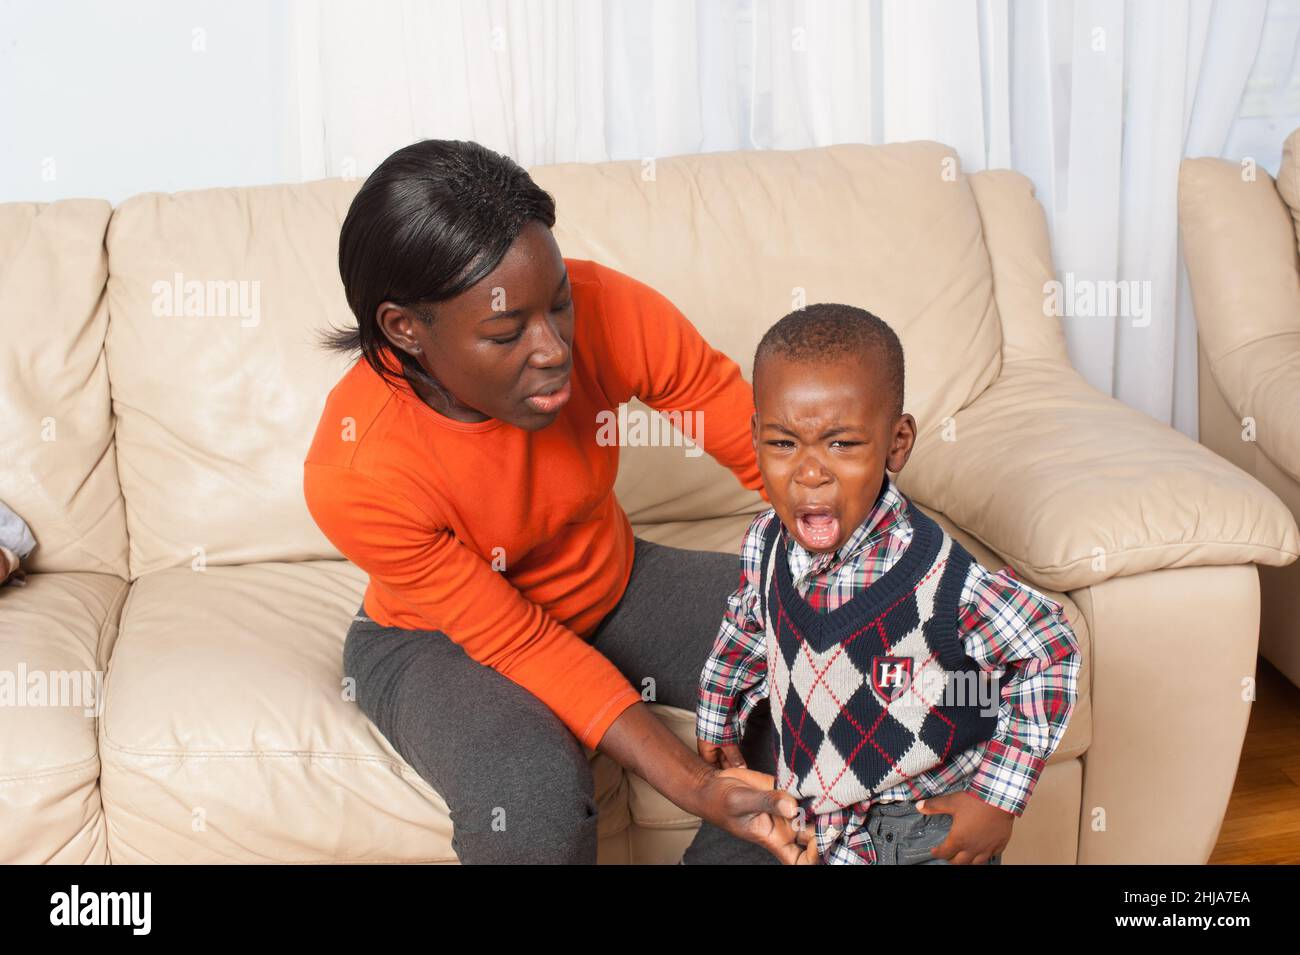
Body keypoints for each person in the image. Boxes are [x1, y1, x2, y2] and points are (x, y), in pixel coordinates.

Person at [303, 138, 813, 864]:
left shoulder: (605, 308)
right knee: (533, 792)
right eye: (507, 331)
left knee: (835, 662)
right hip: (437, 644)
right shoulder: (356, 468)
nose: (552, 348)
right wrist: (693, 779)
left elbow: (763, 446)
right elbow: (519, 641)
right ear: (405, 328)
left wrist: (901, 576)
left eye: (559, 304)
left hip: (609, 583)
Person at [696, 303, 1081, 864]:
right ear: (755, 438)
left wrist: (997, 801)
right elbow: (749, 627)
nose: (810, 472)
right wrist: (718, 709)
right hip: (816, 817)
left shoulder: (943, 584)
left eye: (842, 444)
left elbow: (1048, 649)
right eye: (783, 444)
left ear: (897, 443)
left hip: (915, 826)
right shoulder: (765, 542)